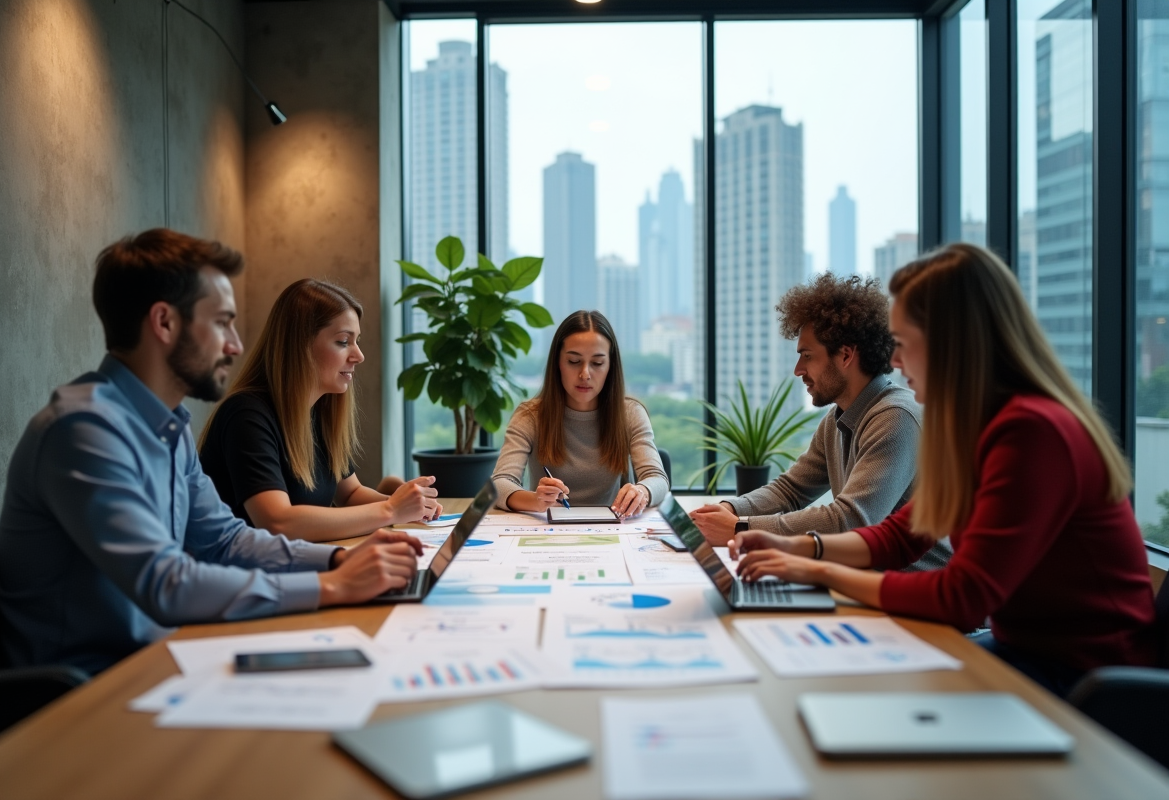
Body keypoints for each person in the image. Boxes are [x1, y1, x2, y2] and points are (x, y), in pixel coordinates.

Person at [729, 243, 1157, 696]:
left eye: (904, 344)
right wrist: (798, 547)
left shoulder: (1032, 430)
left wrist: (818, 570)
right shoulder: (974, 426)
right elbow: (902, 534)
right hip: (1026, 651)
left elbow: (963, 598)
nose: (894, 361)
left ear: (951, 344)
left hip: (1088, 678)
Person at [0, 229, 422, 675]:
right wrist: (331, 586)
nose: (235, 344)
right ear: (164, 323)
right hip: (90, 687)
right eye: (221, 323)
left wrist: (339, 559)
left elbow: (225, 541)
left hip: (170, 653)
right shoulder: (83, 431)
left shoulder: (169, 427)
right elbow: (166, 583)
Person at [690, 273, 950, 570]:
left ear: (846, 355)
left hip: (918, 590)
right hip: (868, 581)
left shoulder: (896, 418)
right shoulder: (838, 418)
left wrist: (741, 529)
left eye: (807, 355)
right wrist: (726, 510)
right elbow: (790, 490)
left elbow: (852, 520)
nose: (798, 370)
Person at [198, 279, 440, 543]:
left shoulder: (318, 411)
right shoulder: (246, 415)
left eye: (357, 341)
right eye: (343, 341)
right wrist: (390, 509)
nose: (359, 355)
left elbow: (350, 494)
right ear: (300, 346)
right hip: (240, 568)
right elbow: (277, 522)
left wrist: (411, 506)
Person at [492, 310, 669, 518]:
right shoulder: (530, 416)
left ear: (610, 367)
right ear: (558, 363)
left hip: (614, 529)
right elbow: (499, 483)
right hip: (547, 530)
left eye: (597, 363)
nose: (585, 374)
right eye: (574, 361)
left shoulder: (630, 413)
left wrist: (642, 491)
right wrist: (535, 500)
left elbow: (657, 478)